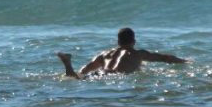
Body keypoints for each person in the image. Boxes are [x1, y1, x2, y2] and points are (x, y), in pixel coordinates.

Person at [56, 27, 186, 79]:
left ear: (118, 41)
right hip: (116, 76)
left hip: (101, 72)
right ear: (134, 41)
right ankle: (67, 63)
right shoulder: (138, 54)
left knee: (76, 78)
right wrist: (184, 61)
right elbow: (164, 58)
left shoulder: (104, 54)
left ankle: (68, 64)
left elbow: (84, 70)